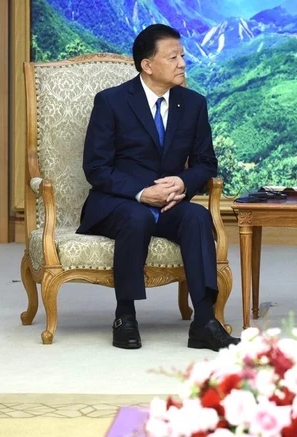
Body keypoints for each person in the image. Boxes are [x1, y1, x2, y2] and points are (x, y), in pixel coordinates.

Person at [77, 24, 239, 351]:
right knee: (136, 217)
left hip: (167, 204)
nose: (182, 63)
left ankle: (204, 321)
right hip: (117, 203)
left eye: (182, 55)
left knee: (196, 218)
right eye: (173, 57)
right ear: (147, 66)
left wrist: (183, 182)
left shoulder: (193, 104)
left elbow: (206, 163)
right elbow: (95, 167)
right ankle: (125, 315)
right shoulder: (111, 102)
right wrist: (140, 193)